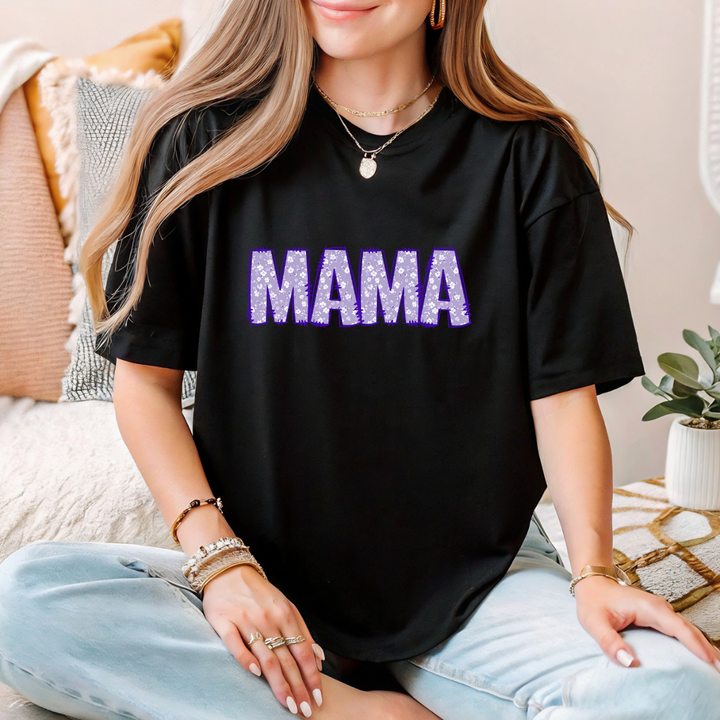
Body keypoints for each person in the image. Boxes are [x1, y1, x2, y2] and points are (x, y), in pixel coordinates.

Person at [2, 0, 720, 718]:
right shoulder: (203, 141)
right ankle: (363, 712)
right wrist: (221, 563)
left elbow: (562, 399)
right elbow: (145, 387)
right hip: (262, 581)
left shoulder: (528, 156)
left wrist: (593, 574)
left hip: (474, 586)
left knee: (675, 688)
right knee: (25, 600)